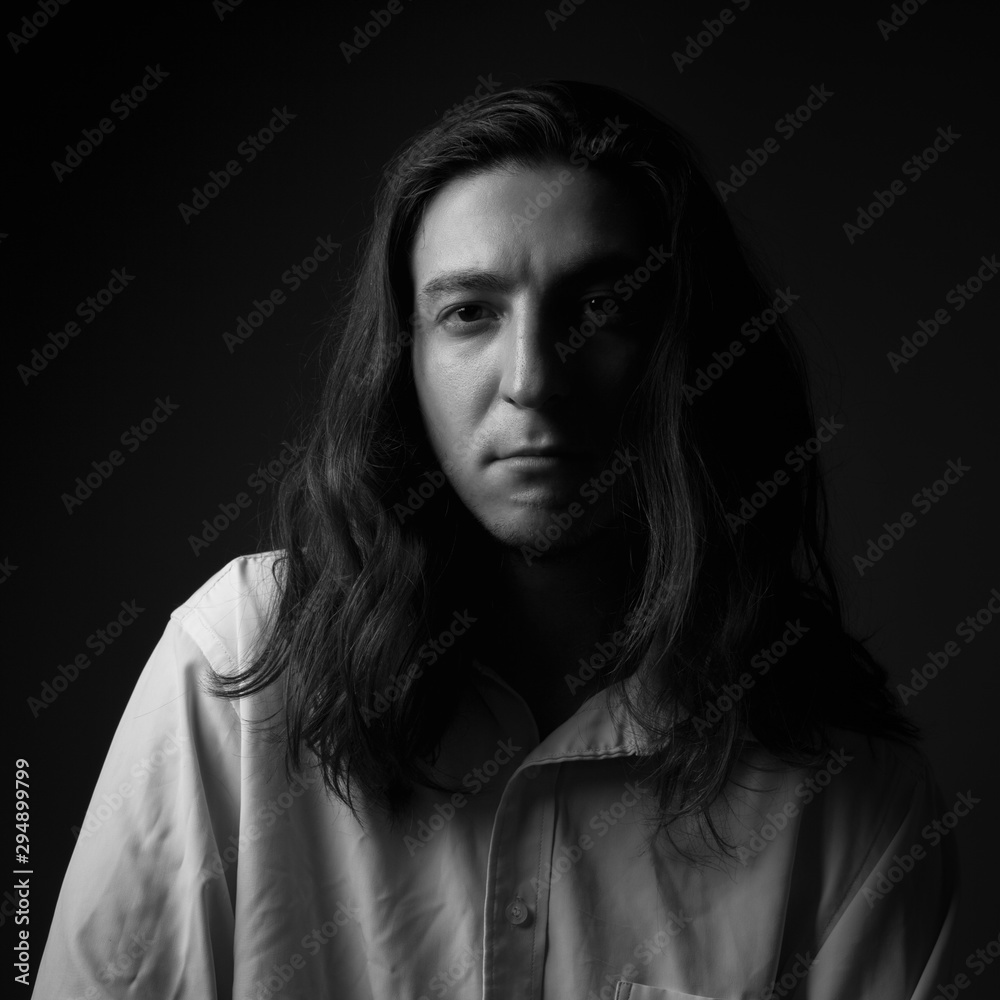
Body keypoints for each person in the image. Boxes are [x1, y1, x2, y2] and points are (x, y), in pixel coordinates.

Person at [36, 80, 957, 1000]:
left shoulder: (851, 790)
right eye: (469, 312)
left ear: (688, 355)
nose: (532, 381)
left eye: (600, 308)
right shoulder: (242, 665)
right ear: (406, 364)